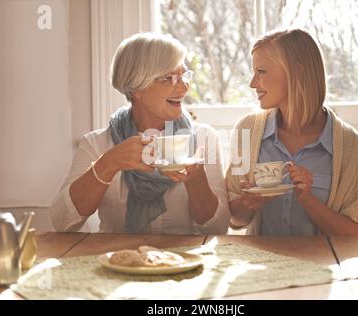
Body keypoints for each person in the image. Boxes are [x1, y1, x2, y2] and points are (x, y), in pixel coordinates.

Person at [50, 32, 230, 234]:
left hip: (185, 262)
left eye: (183, 75)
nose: (184, 86)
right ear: (136, 88)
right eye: (168, 78)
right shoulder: (97, 144)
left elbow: (218, 229)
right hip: (117, 261)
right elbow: (62, 222)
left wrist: (197, 181)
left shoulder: (205, 139)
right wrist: (107, 165)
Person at [225, 29, 358, 236]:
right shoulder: (246, 130)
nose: (253, 83)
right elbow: (234, 220)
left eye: (261, 71)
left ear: (297, 71)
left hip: (322, 266)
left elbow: (354, 234)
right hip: (262, 265)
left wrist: (308, 201)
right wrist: (247, 202)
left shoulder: (349, 144)